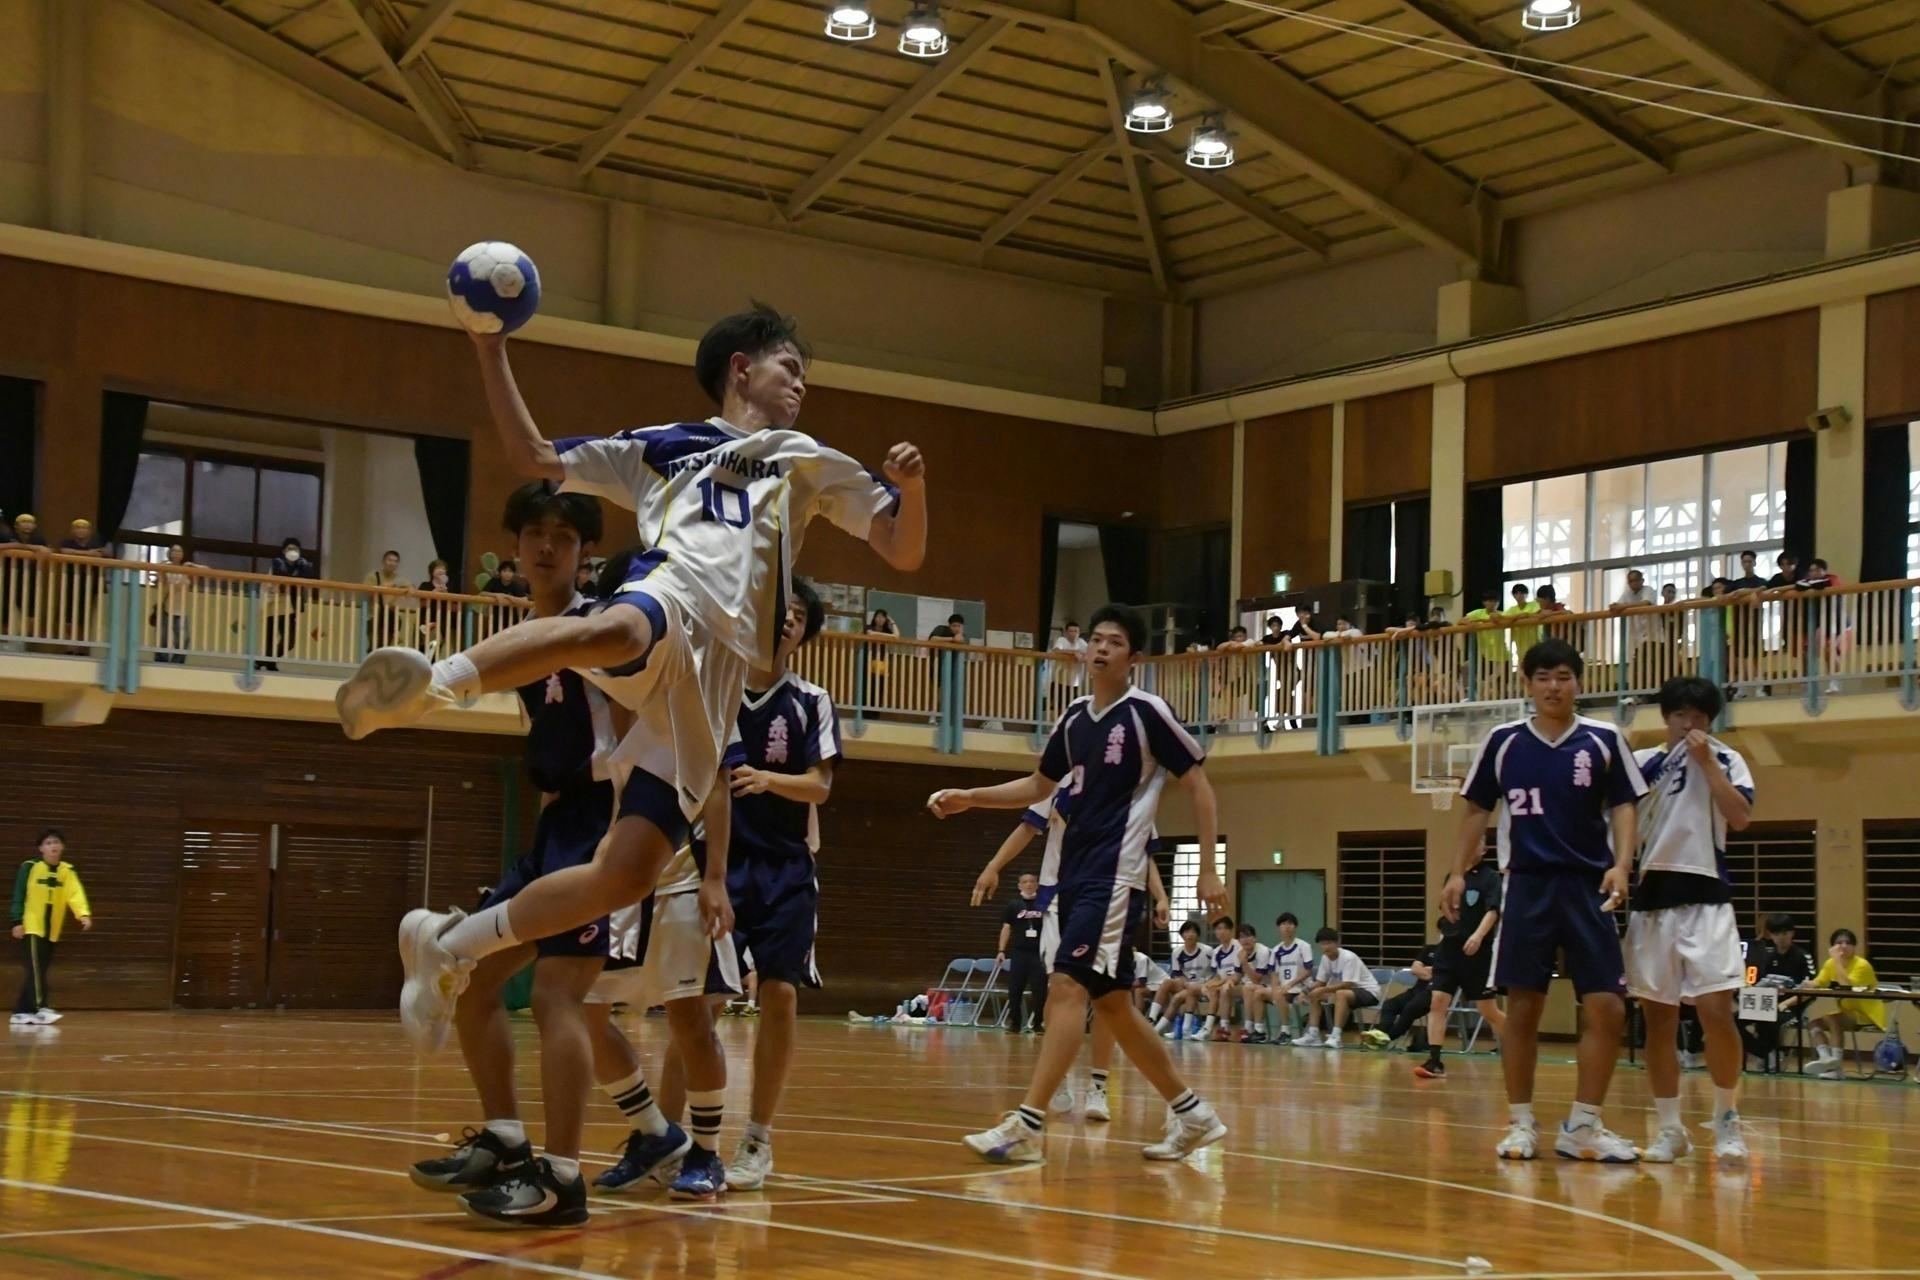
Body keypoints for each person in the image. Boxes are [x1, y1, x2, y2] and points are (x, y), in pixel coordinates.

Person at [337, 302, 927, 1061]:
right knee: (614, 629)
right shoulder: (662, 446)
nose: (801, 384)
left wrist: (914, 491)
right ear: (741, 368)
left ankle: (450, 944)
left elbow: (901, 549)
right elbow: (533, 455)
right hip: (673, 593)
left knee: (623, 876)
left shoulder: (803, 457)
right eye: (790, 367)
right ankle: (432, 685)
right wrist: (490, 347)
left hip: (718, 680)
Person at [930, 603, 1227, 1165]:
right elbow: (1037, 785)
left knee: (1065, 985)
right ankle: (1194, 1115)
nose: (1101, 648)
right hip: (1073, 877)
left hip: (1114, 876)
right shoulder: (1072, 718)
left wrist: (1209, 866)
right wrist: (971, 797)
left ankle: (1027, 1124)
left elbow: (1199, 785)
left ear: (1134, 658)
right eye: (1096, 639)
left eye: (1114, 642)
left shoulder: (1146, 712)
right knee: (1113, 1006)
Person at [407, 485, 627, 1225]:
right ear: (515, 547)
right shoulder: (524, 637)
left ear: (584, 551)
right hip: (558, 823)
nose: (546, 547)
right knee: (475, 981)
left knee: (559, 994)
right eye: (534, 533)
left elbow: (631, 732)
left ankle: (562, 1179)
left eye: (563, 537)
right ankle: (504, 1141)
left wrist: (626, 838)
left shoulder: (603, 625)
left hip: (604, 822)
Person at [1445, 637, 1647, 1161]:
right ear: (1527, 684)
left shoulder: (1604, 738)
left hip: (1588, 885)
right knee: (1523, 1007)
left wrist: (1623, 865)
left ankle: (1584, 1126)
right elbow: (1476, 810)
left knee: (1607, 1006)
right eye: (1543, 678)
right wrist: (1456, 873)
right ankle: (1520, 1123)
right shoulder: (1503, 741)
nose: (1553, 687)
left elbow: (1625, 805)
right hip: (1526, 885)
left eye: (1563, 677)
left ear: (1579, 682)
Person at [716, 578, 841, 1192]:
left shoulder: (812, 701)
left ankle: (757, 1137)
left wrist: (768, 780)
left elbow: (820, 784)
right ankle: (677, 1139)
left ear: (804, 633)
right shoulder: (717, 688)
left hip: (785, 868)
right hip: (718, 865)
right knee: (698, 1001)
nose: (788, 620)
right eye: (781, 610)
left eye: (799, 616)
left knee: (781, 995)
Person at [1626, 676, 1755, 1163]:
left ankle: (1726, 1121)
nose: (1688, 723)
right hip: (1652, 900)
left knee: (1717, 1012)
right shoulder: (1643, 763)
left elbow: (1740, 817)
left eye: (1698, 716)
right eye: (1680, 714)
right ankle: (1669, 1129)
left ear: (1710, 721)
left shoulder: (1727, 758)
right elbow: (1619, 821)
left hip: (1707, 898)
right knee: (1658, 1021)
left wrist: (1707, 765)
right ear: (1666, 717)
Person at [1416, 858, 1507, 1081]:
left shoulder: (1490, 878)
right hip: (1448, 952)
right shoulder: (1454, 876)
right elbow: (1446, 905)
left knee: (1488, 1010)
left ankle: (1519, 1042)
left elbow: (1493, 911)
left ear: (1483, 849)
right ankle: (1435, 1062)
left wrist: (1477, 936)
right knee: (1437, 1002)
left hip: (1477, 954)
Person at [10, 828, 91, 1026]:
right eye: (48, 843)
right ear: (41, 848)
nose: (53, 846)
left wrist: (83, 914)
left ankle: (21, 1012)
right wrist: (17, 921)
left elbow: (75, 894)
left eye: (56, 842)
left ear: (62, 847)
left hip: (52, 929)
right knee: (36, 970)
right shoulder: (29, 867)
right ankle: (41, 1008)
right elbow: (19, 894)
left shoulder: (67, 871)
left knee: (37, 971)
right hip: (32, 926)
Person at [1805, 928, 1885, 1078]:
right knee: (1813, 1024)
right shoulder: (1830, 964)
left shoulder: (1862, 965)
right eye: (1839, 943)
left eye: (1848, 943)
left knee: (1833, 1019)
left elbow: (1846, 985)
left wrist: (1836, 960)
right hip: (1847, 1012)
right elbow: (1819, 981)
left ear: (1854, 946)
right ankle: (1826, 1059)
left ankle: (1835, 1067)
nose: (1843, 946)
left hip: (1866, 1013)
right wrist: (1807, 984)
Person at [1740, 913, 1816, 1070]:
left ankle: (1770, 1054)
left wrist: (1786, 1003)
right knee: (1734, 1020)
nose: (1781, 937)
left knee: (1769, 1018)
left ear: (1792, 933)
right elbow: (1761, 985)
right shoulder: (1768, 957)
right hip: (1768, 1004)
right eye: (1776, 933)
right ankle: (1765, 1052)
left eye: (1785, 933)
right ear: (1771, 935)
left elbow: (1811, 989)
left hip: (1792, 1008)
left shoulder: (1802, 956)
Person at [1293, 927, 1380, 1049]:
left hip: (1369, 992)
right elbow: (1320, 982)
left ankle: (1336, 1036)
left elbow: (1347, 984)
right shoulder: (1325, 958)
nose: (1326, 947)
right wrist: (1305, 991)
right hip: (1348, 992)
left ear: (1337, 943)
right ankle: (1313, 1035)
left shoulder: (1349, 957)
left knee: (1340, 994)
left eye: (1329, 943)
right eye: (1323, 944)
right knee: (1315, 994)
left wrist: (1323, 989)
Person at [998, 873, 1048, 1033]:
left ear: (1037, 884)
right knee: (1015, 990)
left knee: (1039, 991)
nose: (1028, 884)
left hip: (1038, 953)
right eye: (1025, 882)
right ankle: (1015, 1024)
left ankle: (1038, 1024)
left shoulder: (1044, 904)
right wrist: (1001, 950)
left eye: (1032, 881)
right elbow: (1006, 928)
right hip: (1019, 953)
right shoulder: (1013, 905)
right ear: (1019, 885)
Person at [261, 537, 319, 672]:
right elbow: (281, 575)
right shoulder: (277, 562)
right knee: (270, 638)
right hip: (272, 603)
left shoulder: (302, 564)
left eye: (295, 549)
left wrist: (303, 566)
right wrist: (296, 576)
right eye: (289, 549)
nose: (292, 551)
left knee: (289, 641)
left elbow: (310, 576)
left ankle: (263, 661)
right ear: (283, 551)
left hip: (290, 606)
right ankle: (269, 664)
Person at [1364, 943, 1435, 1049]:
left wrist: (1425, 971)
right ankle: (1381, 1033)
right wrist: (1432, 973)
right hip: (1416, 991)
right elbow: (1415, 969)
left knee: (1410, 1008)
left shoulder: (1453, 953)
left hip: (1435, 994)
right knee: (1390, 1004)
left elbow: (1445, 973)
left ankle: (1389, 1038)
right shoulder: (1430, 949)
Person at [1153, 920, 1212, 1038]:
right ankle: (1152, 1019)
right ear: (1182, 935)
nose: (1189, 934)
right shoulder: (1177, 952)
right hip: (1187, 984)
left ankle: (1160, 1029)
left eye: (1193, 932)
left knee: (1177, 998)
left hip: (1204, 986)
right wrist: (1186, 984)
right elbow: (1177, 975)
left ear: (1198, 935)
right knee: (1167, 982)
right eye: (1186, 932)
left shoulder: (1208, 951)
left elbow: (1216, 971)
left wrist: (1207, 984)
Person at [1267, 912, 1313, 1043]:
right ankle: (1257, 1031)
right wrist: (1274, 990)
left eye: (1290, 924)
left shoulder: (1303, 946)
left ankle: (1285, 1031)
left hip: (1302, 988)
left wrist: (1290, 984)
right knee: (1258, 993)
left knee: (1281, 994)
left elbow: (1308, 971)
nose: (1287, 927)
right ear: (1279, 928)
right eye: (1283, 924)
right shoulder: (1276, 950)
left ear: (1295, 927)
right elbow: (1273, 974)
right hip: (1285, 989)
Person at [1612, 569, 1658, 693]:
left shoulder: (1648, 590)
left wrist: (1623, 606)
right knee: (1639, 666)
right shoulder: (1627, 594)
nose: (1633, 583)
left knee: (1651, 666)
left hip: (1653, 636)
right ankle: (1640, 693)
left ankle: (1650, 693)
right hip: (1638, 638)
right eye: (1630, 581)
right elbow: (1617, 605)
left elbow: (1645, 603)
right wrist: (1614, 606)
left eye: (1635, 580)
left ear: (1642, 580)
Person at [1231, 923, 1279, 1043]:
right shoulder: (1240, 953)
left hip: (1271, 986)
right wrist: (1228, 983)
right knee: (1224, 990)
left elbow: (1257, 980)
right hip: (1252, 986)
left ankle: (1249, 1028)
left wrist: (1244, 963)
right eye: (1241, 937)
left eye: (1248, 936)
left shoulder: (1263, 951)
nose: (1245, 940)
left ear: (1255, 938)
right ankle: (1223, 1028)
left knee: (1248, 988)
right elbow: (1237, 976)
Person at [1199, 914, 1243, 1040]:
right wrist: (1208, 984)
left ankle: (1224, 1028)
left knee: (1224, 989)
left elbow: (1238, 974)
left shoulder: (1239, 947)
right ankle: (1206, 1028)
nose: (1221, 931)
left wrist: (1219, 983)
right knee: (1211, 990)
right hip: (1225, 984)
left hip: (1241, 983)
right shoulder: (1216, 951)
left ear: (1231, 930)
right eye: (1218, 929)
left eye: (1224, 928)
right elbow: (1217, 976)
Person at [154, 542, 197, 663]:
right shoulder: (166, 568)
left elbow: (207, 570)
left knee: (185, 638)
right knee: (164, 638)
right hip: (167, 609)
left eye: (180, 551)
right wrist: (160, 568)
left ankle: (178, 662)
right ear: (170, 553)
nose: (177, 553)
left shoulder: (187, 568)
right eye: (174, 551)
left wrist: (193, 565)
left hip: (182, 610)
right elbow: (159, 584)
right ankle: (161, 661)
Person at [1463, 589, 1509, 697]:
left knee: (1499, 688)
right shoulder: (1478, 613)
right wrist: (1470, 623)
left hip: (1502, 657)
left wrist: (1497, 619)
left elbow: (1510, 620)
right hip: (1485, 657)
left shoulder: (1502, 614)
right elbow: (1461, 620)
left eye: (1495, 601)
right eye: (1490, 601)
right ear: (1484, 602)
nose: (1493, 604)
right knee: (1486, 687)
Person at [364, 550, 410, 650]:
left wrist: (405, 588)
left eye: (395, 561)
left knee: (386, 647)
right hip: (374, 615)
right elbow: (367, 592)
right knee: (374, 646)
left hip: (393, 616)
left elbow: (411, 589)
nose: (392, 563)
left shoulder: (399, 578)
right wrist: (387, 586)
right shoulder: (373, 576)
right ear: (384, 561)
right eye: (390, 560)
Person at [1505, 584, 1543, 660]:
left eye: (1522, 593)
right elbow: (1504, 619)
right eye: (1516, 593)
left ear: (1527, 594)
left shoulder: (1534, 604)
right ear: (1513, 595)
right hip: (1520, 645)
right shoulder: (1512, 610)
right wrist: (1520, 616)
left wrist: (1518, 617)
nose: (1519, 595)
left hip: (1536, 642)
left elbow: (1538, 614)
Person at [1051, 620, 1089, 690]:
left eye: (1076, 631)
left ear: (1079, 633)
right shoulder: (1061, 640)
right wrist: (1074, 652)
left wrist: (1084, 656)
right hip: (1059, 679)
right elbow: (1056, 651)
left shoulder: (1081, 641)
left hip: (1074, 681)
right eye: (1071, 631)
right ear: (1066, 632)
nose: (1074, 633)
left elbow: (1091, 651)